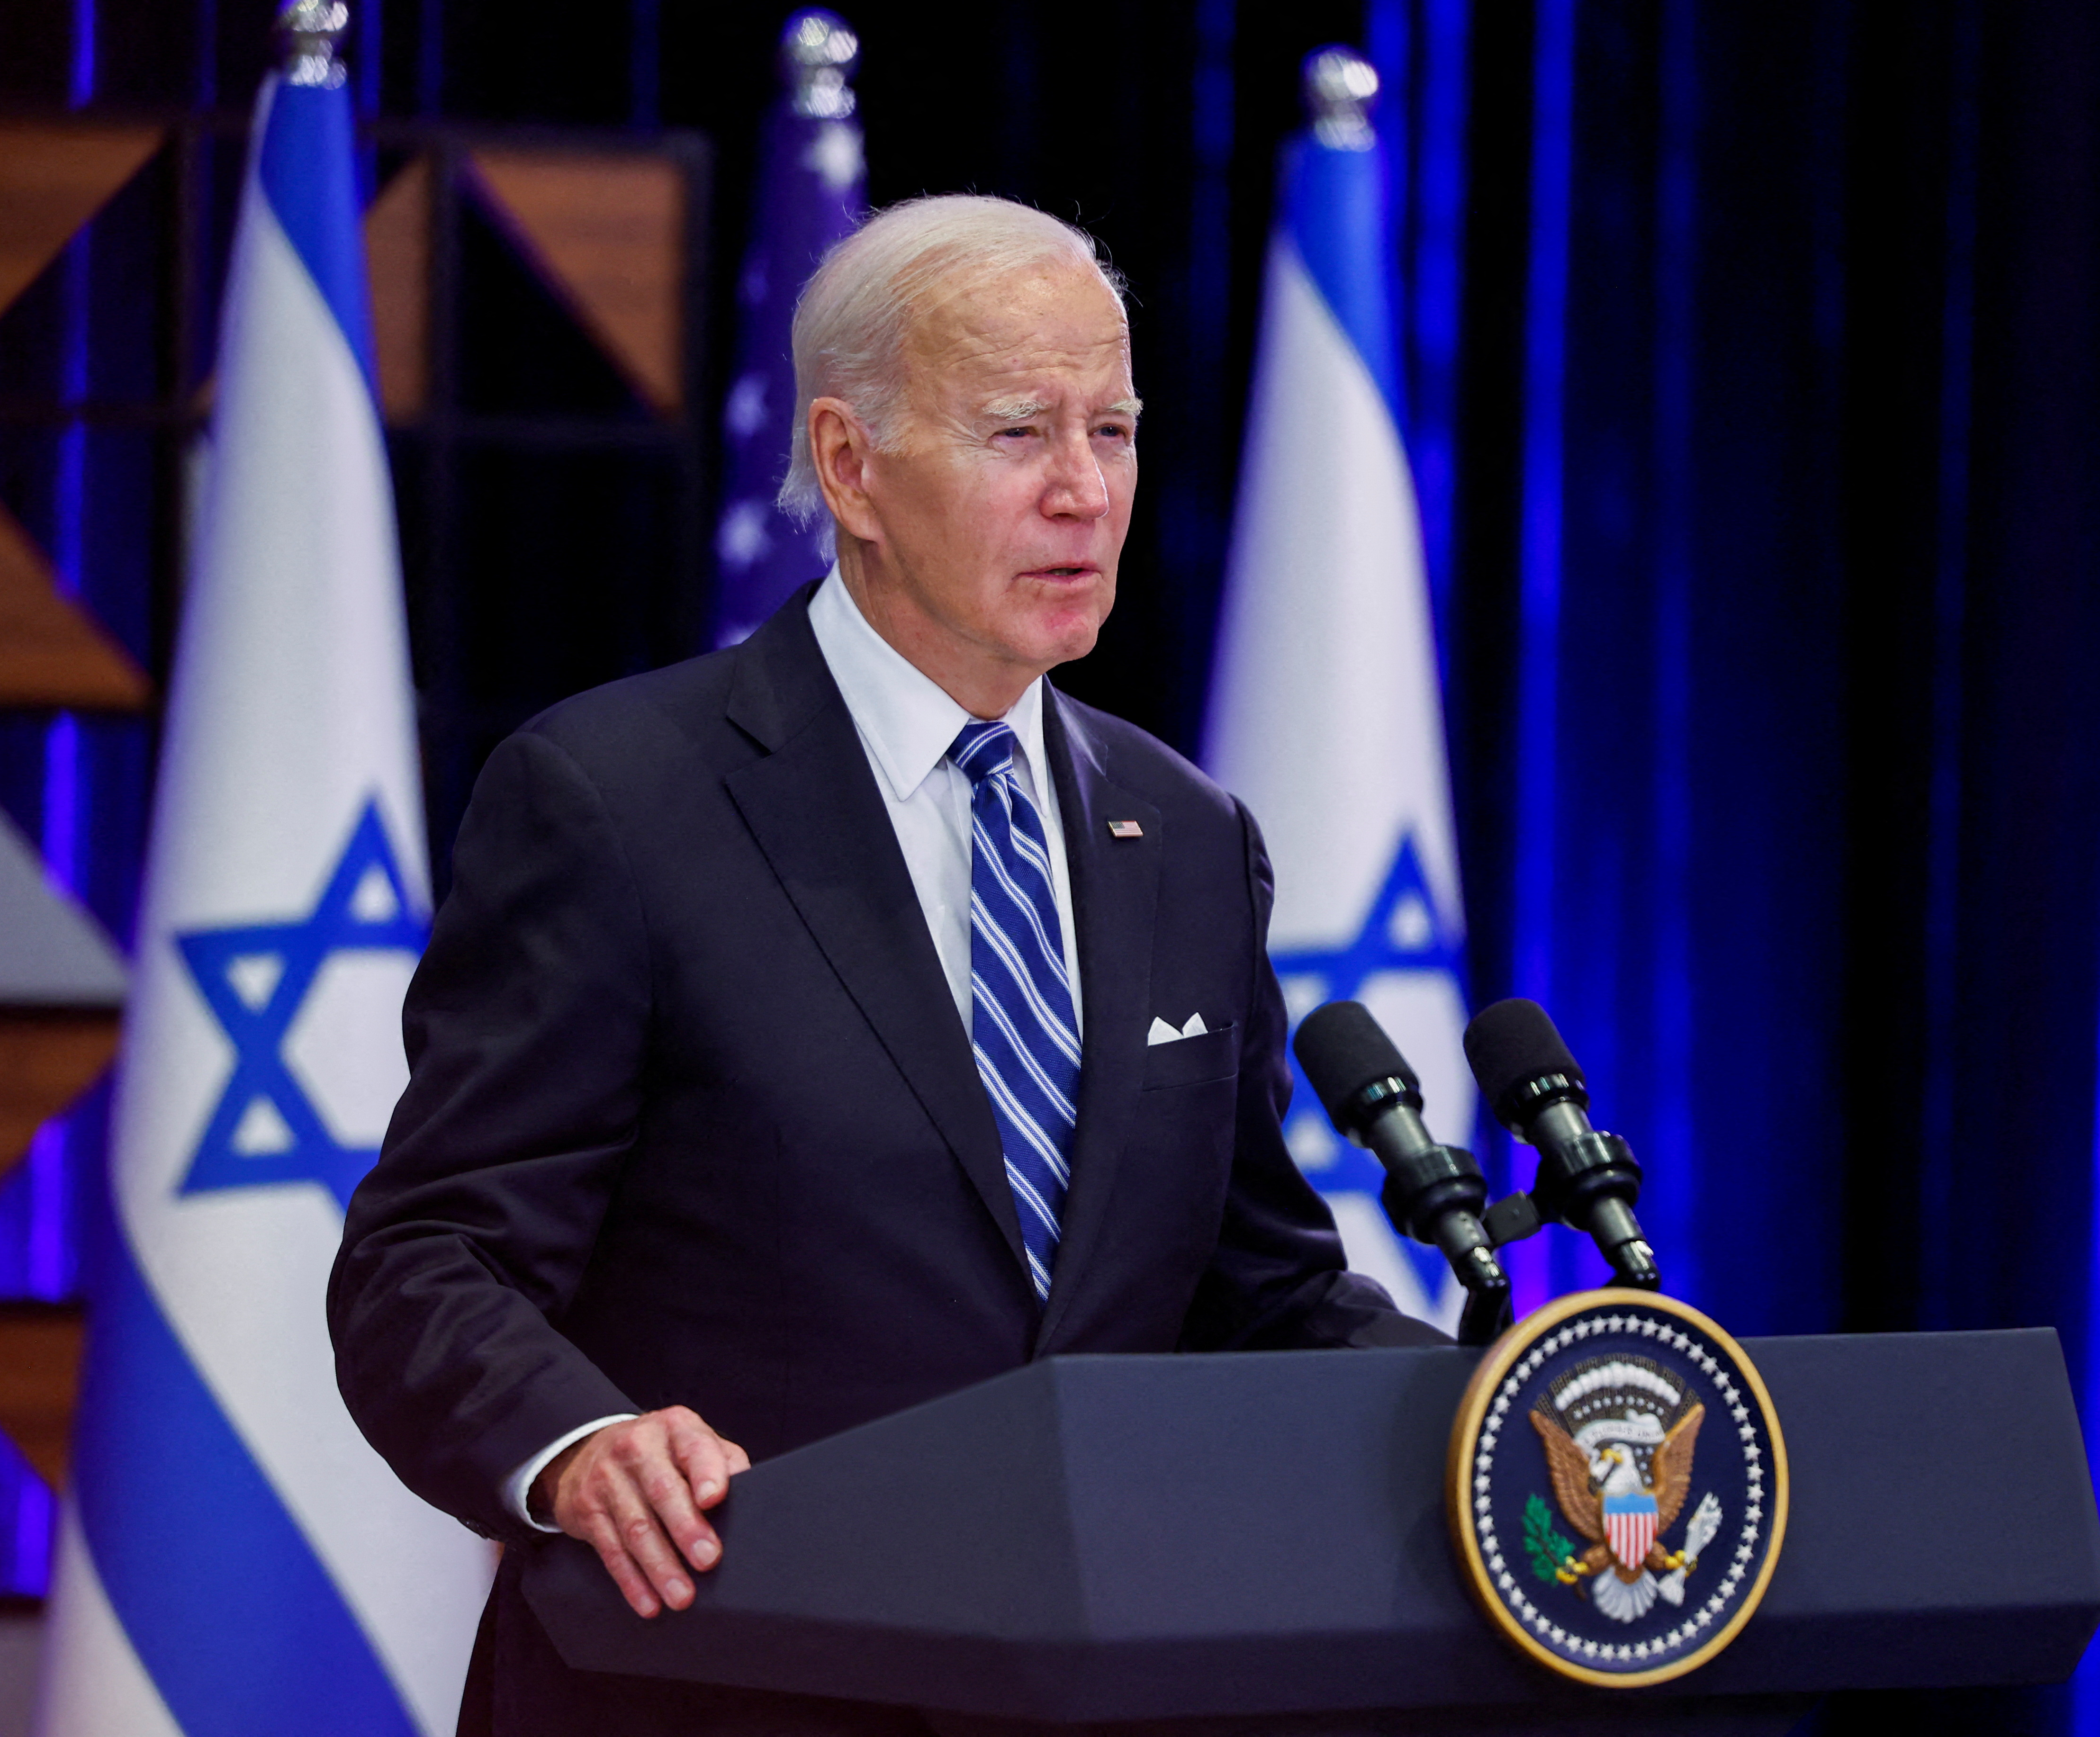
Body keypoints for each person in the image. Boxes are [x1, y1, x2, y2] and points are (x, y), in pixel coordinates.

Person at [329, 193, 1446, 1736]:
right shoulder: (617, 797)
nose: (1084, 493)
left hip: (1093, 1694)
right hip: (713, 1687)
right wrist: (578, 1445)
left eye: (1112, 431)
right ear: (849, 465)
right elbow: (425, 1262)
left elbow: (1251, 1293)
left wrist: (1493, 1411)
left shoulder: (1184, 835)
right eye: (1017, 434)